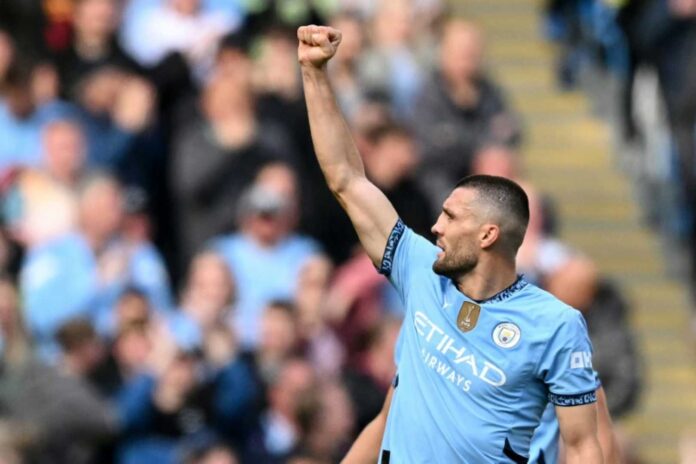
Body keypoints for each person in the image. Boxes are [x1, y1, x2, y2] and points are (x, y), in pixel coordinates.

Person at [297, 25, 602, 462]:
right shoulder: (419, 271)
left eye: (451, 217)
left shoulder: (556, 325)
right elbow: (347, 179)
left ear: (488, 234)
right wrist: (314, 74)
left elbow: (583, 444)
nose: (435, 227)